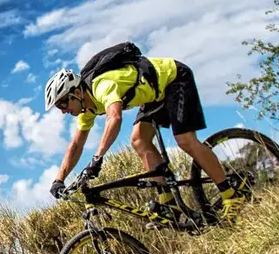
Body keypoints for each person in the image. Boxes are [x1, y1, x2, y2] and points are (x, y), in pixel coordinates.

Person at [43, 44, 243, 216]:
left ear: (76, 92)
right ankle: (169, 203)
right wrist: (59, 179)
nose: (62, 112)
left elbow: (115, 118)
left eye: (62, 104)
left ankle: (231, 195)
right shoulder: (87, 108)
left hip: (174, 79)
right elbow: (76, 144)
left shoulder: (102, 86)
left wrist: (97, 158)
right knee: (139, 140)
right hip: (153, 96)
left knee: (184, 140)